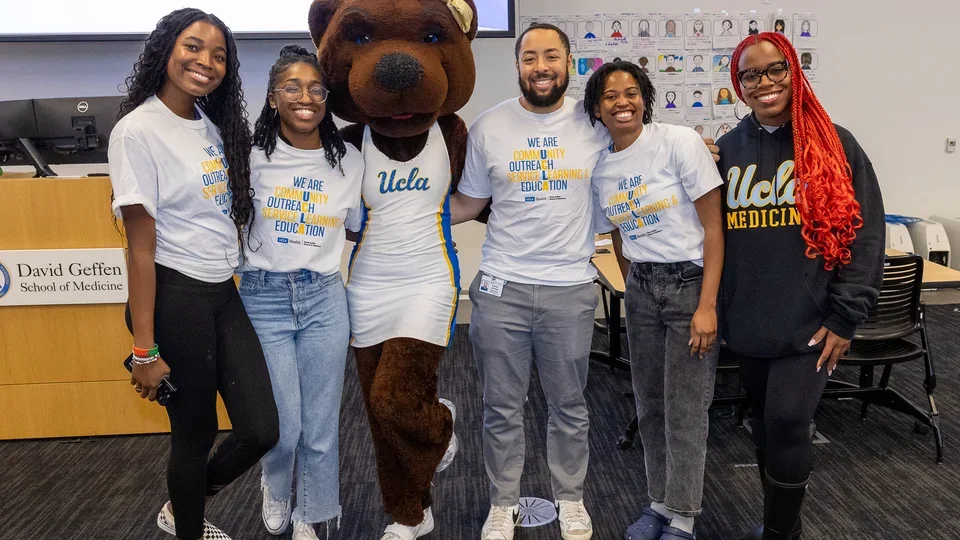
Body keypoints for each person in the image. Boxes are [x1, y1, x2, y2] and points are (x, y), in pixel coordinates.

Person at [110, 8, 279, 540]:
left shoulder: (211, 126)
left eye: (219, 55)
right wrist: (144, 350)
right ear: (165, 50)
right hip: (175, 293)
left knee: (260, 429)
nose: (205, 62)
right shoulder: (137, 131)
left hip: (221, 292)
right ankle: (187, 525)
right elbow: (139, 251)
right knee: (194, 431)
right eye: (192, 47)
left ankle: (183, 500)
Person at [716, 32, 884, 540]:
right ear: (738, 84)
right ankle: (780, 519)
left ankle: (780, 532)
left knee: (789, 419)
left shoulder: (836, 143)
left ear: (794, 72)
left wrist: (845, 316)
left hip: (810, 321)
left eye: (774, 70)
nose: (764, 83)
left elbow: (866, 234)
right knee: (765, 424)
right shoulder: (725, 150)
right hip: (748, 320)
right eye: (751, 74)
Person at [450, 22, 610, 540]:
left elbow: (644, 165)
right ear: (518, 64)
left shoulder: (597, 124)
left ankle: (571, 497)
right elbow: (471, 203)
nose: (541, 67)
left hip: (570, 289)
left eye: (551, 57)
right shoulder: (489, 128)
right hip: (501, 289)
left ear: (569, 62)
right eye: (530, 58)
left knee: (569, 405)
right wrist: (399, 210)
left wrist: (699, 150)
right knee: (501, 406)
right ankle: (504, 502)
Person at [584, 59, 724, 540]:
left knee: (686, 407)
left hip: (690, 287)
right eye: (609, 95)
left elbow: (713, 228)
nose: (621, 102)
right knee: (650, 405)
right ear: (597, 109)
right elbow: (619, 234)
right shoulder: (602, 167)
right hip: (642, 290)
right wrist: (631, 284)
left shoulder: (678, 142)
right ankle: (659, 504)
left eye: (630, 92)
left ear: (645, 97)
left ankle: (683, 515)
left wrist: (706, 306)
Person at [241, 45, 362, 540]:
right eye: (292, 87)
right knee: (283, 425)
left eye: (315, 88)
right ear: (273, 98)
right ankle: (276, 487)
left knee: (321, 424)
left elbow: (355, 227)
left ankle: (312, 513)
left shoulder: (348, 162)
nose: (305, 97)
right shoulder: (248, 159)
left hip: (323, 298)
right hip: (263, 297)